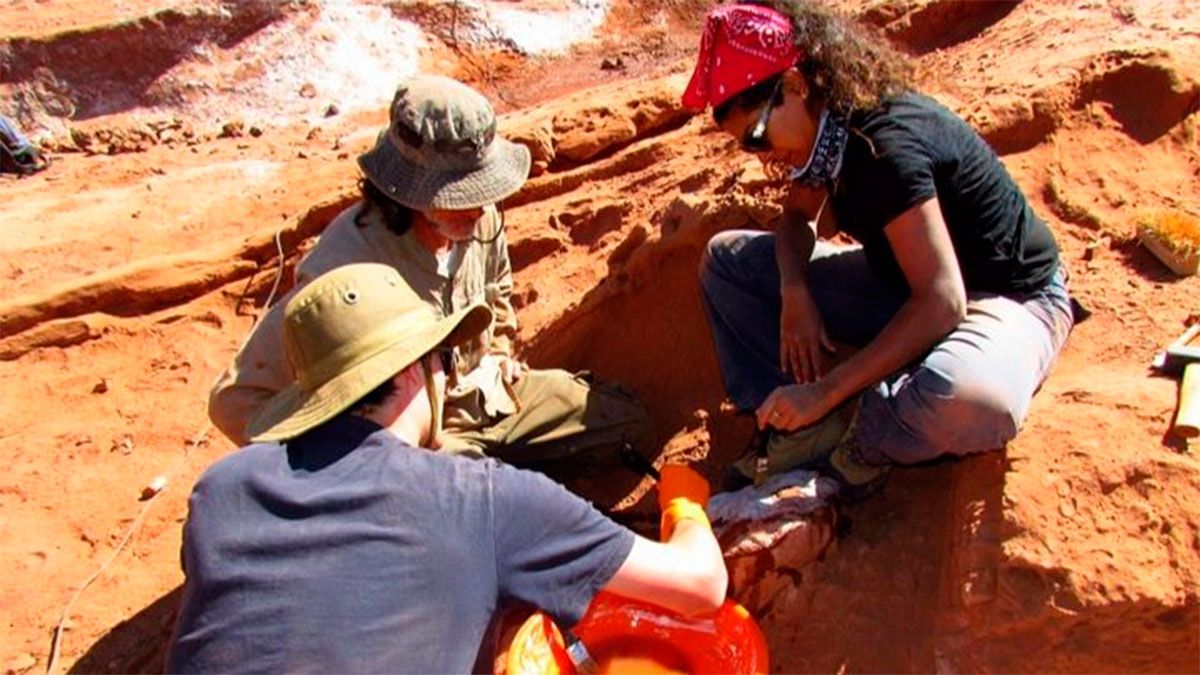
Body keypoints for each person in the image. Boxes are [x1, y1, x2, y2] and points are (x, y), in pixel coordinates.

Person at [168, 263, 726, 674]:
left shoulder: (220, 490)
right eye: (445, 358)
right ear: (416, 372)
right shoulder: (480, 498)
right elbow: (700, 586)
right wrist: (685, 506)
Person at [684, 1, 1075, 497]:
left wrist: (826, 392)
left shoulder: (882, 149)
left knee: (970, 399)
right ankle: (795, 431)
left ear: (796, 85)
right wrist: (795, 289)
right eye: (746, 146)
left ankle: (864, 441)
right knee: (727, 262)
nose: (761, 154)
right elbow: (796, 219)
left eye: (757, 135)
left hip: (1007, 296)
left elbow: (942, 302)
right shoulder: (828, 133)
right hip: (905, 284)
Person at [208, 74, 650, 486]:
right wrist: (344, 467)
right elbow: (236, 399)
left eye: (483, 188)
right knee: (474, 506)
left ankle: (500, 483)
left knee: (625, 425)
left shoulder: (481, 216)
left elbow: (497, 295)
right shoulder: (344, 269)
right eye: (460, 195)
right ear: (405, 192)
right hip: (420, 443)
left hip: (488, 395)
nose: (478, 207)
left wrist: (498, 354)